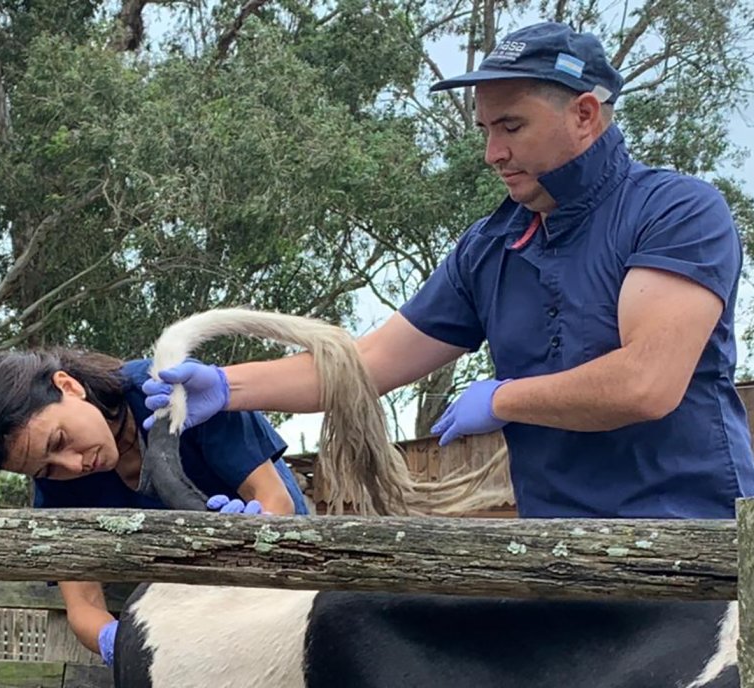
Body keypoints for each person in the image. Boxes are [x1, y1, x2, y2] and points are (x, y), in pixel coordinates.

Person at [143, 21, 754, 520]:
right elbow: (368, 366)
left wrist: (506, 398)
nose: (492, 154)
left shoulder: (676, 210)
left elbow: (646, 383)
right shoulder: (489, 248)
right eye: (486, 130)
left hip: (696, 541)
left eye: (511, 127)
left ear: (586, 115)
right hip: (561, 549)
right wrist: (226, 389)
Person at [0, 348, 310, 666]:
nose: (72, 466)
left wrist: (257, 526)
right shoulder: (57, 485)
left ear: (68, 386)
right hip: (189, 625)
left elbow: (275, 501)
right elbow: (83, 606)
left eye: (60, 440)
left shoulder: (174, 388)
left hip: (284, 596)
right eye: (46, 468)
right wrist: (122, 644)